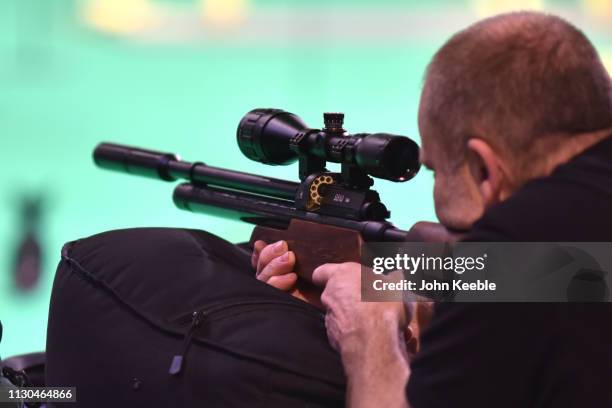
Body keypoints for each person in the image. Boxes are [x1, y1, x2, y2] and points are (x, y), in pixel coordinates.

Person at [252, 11, 612, 407]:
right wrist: (410, 299)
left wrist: (368, 330)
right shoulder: (569, 236)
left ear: (485, 170)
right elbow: (573, 271)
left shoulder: (522, 235)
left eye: (435, 169)